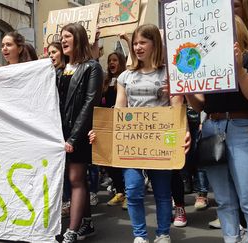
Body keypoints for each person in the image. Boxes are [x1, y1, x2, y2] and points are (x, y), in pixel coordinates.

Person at [90, 24, 190, 243]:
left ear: (155, 43)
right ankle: (140, 236)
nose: (137, 47)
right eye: (135, 43)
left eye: (143, 42)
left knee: (163, 191)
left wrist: (185, 131)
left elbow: (177, 108)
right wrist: (102, 131)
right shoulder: (126, 77)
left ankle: (163, 234)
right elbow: (119, 108)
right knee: (133, 189)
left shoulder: (170, 74)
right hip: (132, 141)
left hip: (161, 141)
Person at [186, 15, 248, 243]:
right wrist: (186, 88)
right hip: (213, 128)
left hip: (241, 128)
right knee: (223, 199)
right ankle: (231, 239)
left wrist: (240, 69)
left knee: (247, 197)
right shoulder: (207, 62)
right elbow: (200, 103)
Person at [58, 23, 103, 243]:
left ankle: (72, 230)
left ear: (78, 38)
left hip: (79, 133)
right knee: (76, 179)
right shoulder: (60, 69)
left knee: (76, 178)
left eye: (67, 36)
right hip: (60, 133)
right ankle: (87, 222)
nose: (63, 40)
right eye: (61, 37)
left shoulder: (92, 67)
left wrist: (74, 137)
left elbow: (90, 103)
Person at [101, 51, 128, 209]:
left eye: (115, 60)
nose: (111, 63)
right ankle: (119, 191)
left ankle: (128, 194)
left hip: (120, 124)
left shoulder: (124, 79)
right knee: (109, 161)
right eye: (110, 60)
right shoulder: (105, 81)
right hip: (106, 124)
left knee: (121, 160)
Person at [48, 41, 71, 217]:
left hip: (65, 126)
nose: (51, 55)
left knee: (67, 168)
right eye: (49, 53)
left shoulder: (67, 73)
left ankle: (68, 201)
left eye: (54, 52)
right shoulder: (50, 73)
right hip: (52, 125)